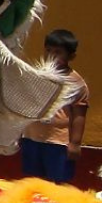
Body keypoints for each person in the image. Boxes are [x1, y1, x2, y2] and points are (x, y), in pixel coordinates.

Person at [20, 29, 87, 184]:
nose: (51, 55)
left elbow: (79, 115)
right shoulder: (37, 75)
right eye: (48, 50)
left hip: (58, 143)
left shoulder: (76, 83)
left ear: (71, 56)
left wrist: (75, 143)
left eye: (58, 52)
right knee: (32, 182)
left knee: (57, 184)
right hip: (31, 137)